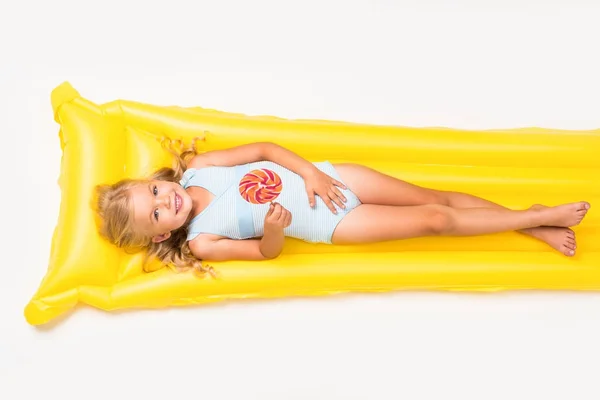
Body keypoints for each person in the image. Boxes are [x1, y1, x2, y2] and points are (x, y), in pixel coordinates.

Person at [95, 140, 590, 276]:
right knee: (435, 220)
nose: (165, 201)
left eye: (153, 193)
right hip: (331, 221)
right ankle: (533, 218)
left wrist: (310, 173)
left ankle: (532, 220)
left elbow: (265, 150)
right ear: (161, 236)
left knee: (434, 197)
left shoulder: (199, 169)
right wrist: (272, 227)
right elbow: (267, 255)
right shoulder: (203, 240)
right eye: (156, 215)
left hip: (331, 177)